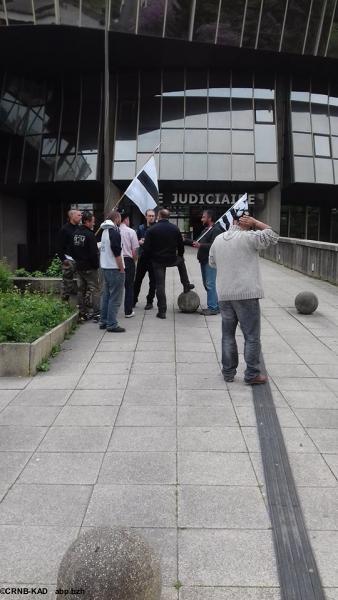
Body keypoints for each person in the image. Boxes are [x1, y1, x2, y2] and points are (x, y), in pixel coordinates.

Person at [209, 213, 278, 385]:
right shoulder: (250, 237)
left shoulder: (218, 239)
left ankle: (228, 372)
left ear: (232, 222)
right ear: (247, 224)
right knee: (251, 336)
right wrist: (257, 222)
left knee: (227, 335)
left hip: (225, 294)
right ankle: (252, 374)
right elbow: (273, 236)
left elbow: (212, 262)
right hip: (246, 294)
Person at [143, 208, 194, 319]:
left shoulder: (151, 230)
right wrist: (180, 255)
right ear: (168, 217)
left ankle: (162, 311)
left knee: (160, 285)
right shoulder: (175, 229)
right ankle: (186, 284)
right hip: (171, 258)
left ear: (159, 217)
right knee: (181, 261)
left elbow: (146, 248)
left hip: (157, 261)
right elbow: (181, 246)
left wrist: (151, 258)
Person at [192, 209, 223, 316]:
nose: (202, 219)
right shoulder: (206, 229)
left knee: (210, 284)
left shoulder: (216, 230)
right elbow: (198, 242)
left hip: (210, 261)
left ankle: (213, 307)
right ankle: (215, 305)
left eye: (204, 217)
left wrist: (201, 246)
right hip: (203, 260)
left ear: (209, 218)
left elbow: (216, 246)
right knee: (207, 284)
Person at [99, 210, 125, 333]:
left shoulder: (104, 231)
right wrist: (121, 268)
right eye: (120, 218)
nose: (120, 220)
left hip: (105, 267)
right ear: (117, 219)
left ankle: (103, 321)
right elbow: (117, 253)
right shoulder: (114, 233)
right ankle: (112, 324)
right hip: (114, 268)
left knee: (106, 296)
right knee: (115, 297)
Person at [71, 210, 100, 322]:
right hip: (90, 267)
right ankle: (97, 314)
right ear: (87, 221)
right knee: (95, 290)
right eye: (92, 222)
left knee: (80, 290)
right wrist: (96, 265)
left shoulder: (75, 234)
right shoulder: (90, 235)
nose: (94, 224)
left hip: (79, 267)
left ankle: (82, 314)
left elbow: (72, 250)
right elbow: (94, 253)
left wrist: (78, 260)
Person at [133, 208, 156, 310]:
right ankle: (133, 299)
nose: (151, 217)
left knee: (153, 281)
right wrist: (139, 241)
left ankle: (149, 301)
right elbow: (135, 241)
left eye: (152, 216)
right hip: (142, 257)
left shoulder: (157, 228)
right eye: (149, 216)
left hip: (153, 258)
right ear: (146, 216)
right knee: (137, 280)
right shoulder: (141, 228)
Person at [57, 209, 82, 301]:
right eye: (78, 215)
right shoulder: (64, 229)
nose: (81, 217)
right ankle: (64, 304)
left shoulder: (80, 228)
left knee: (82, 283)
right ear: (72, 216)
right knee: (67, 284)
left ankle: (81, 305)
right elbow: (59, 246)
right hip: (68, 259)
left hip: (79, 259)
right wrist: (63, 259)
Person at [119, 212, 139, 318]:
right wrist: (134, 260)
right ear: (126, 219)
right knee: (129, 286)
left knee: (115, 287)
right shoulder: (131, 232)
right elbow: (134, 250)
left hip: (116, 261)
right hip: (128, 260)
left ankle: (113, 310)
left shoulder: (114, 231)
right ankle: (128, 311)